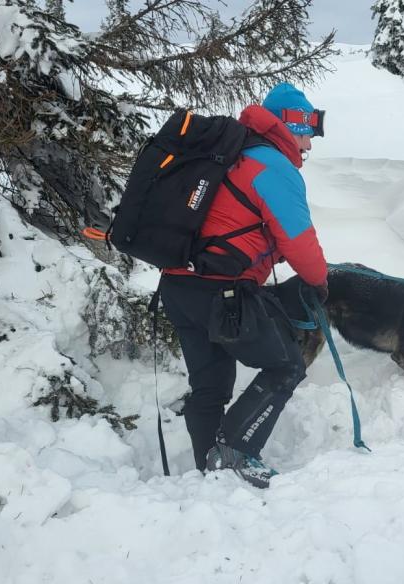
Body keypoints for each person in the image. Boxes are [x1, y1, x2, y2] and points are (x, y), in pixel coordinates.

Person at [158, 82, 328, 489]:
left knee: (210, 385)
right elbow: (299, 241)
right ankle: (232, 450)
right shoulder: (273, 167)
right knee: (287, 365)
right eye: (307, 134)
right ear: (291, 125)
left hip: (178, 287)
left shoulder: (232, 155)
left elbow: (234, 224)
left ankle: (210, 472)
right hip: (222, 294)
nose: (308, 147)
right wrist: (319, 283)